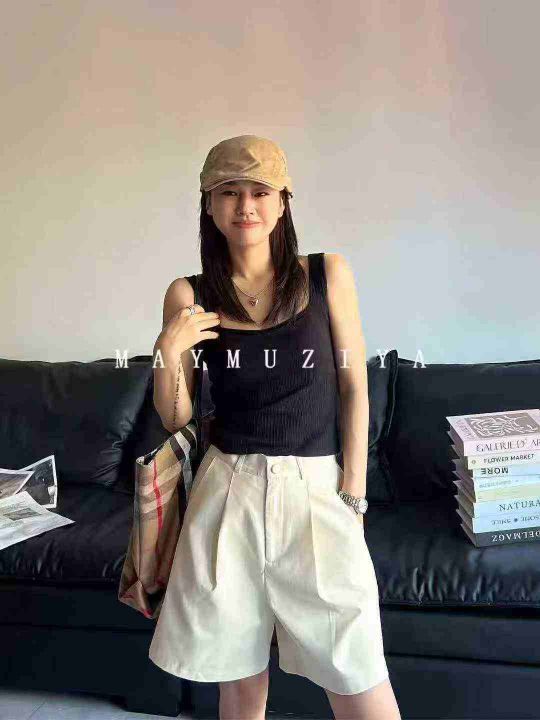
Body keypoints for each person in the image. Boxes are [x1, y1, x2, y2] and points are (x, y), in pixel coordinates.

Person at [149, 135, 401, 720]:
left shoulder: (326, 275)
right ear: (209, 205)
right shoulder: (190, 294)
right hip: (226, 493)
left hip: (317, 490)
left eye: (260, 192)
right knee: (239, 684)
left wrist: (354, 493)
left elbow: (354, 387)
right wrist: (167, 348)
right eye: (229, 192)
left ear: (284, 202)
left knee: (358, 675)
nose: (246, 206)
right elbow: (176, 418)